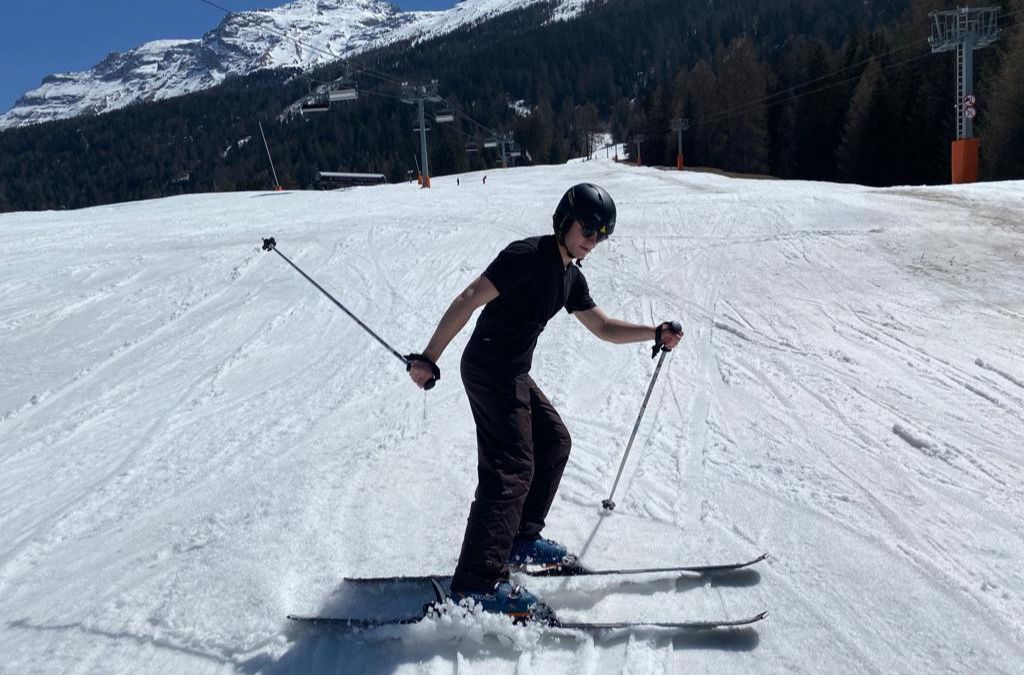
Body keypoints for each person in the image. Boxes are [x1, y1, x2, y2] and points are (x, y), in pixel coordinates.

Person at [407, 183, 683, 617]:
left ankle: (519, 538)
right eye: (587, 227)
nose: (592, 239)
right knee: (512, 466)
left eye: (601, 234)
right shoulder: (526, 256)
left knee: (554, 443)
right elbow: (469, 298)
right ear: (565, 218)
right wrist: (428, 358)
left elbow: (604, 327)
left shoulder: (570, 276)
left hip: (512, 371)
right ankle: (476, 581)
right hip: (488, 367)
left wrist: (654, 333)